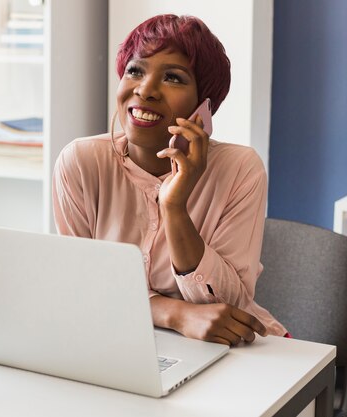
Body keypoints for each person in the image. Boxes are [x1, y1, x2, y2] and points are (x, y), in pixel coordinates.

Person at [52, 14, 287, 346]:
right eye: (135, 71)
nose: (145, 90)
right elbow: (81, 284)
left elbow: (228, 309)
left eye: (173, 78)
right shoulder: (81, 162)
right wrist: (174, 314)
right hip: (116, 340)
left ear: (203, 107)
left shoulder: (240, 169)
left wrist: (174, 207)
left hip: (231, 350)